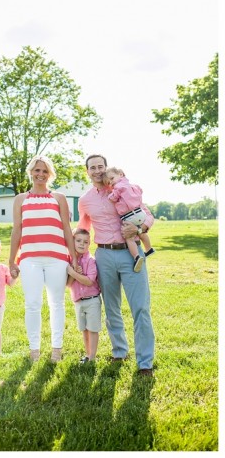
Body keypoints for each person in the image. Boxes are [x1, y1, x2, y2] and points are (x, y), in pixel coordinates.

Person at [77, 154, 155, 376]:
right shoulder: (85, 200)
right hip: (104, 256)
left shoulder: (123, 190)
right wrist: (76, 255)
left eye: (101, 166)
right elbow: (82, 230)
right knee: (111, 308)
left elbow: (147, 215)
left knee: (140, 308)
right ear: (87, 172)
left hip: (131, 256)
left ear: (106, 168)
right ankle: (119, 352)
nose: (97, 170)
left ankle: (145, 363)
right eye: (93, 167)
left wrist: (139, 230)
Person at [7, 155, 75, 363]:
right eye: (37, 170)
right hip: (30, 259)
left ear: (50, 175)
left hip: (57, 258)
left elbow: (66, 227)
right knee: (33, 304)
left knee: (57, 303)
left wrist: (73, 257)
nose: (40, 174)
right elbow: (17, 230)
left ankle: (56, 349)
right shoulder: (21, 199)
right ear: (31, 172)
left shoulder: (59, 198)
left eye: (45, 171)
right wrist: (12, 260)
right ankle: (34, 350)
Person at [105, 166, 154, 272]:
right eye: (108, 182)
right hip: (140, 213)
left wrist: (110, 196)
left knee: (129, 238)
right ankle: (149, 249)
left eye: (112, 178)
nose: (111, 183)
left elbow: (114, 198)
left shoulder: (118, 187)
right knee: (141, 233)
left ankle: (136, 257)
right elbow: (140, 191)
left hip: (130, 216)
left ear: (121, 174)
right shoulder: (132, 186)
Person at [66, 228, 101, 365]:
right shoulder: (72, 261)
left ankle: (92, 356)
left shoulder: (90, 260)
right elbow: (68, 284)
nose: (82, 244)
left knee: (92, 329)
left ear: (89, 244)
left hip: (92, 300)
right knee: (84, 330)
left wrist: (73, 273)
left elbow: (89, 281)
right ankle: (87, 355)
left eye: (85, 242)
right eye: (78, 240)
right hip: (78, 301)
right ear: (72, 242)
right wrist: (73, 271)